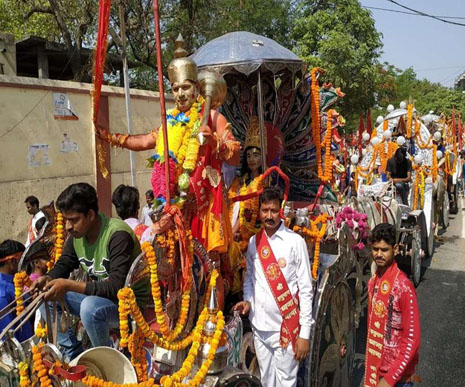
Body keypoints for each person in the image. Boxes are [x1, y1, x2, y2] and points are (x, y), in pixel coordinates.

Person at [32, 183, 149, 361]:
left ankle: (107, 361)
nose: (68, 227)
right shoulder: (76, 237)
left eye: (74, 220)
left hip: (128, 305)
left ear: (91, 215)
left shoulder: (117, 234)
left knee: (89, 308)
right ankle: (74, 354)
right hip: (100, 299)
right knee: (43, 295)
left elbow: (116, 286)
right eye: (66, 220)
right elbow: (65, 263)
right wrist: (49, 277)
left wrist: (69, 285)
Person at [233, 187, 314, 387]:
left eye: (274, 211)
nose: (269, 216)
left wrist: (304, 335)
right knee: (267, 381)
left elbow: (305, 289)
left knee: (286, 382)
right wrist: (248, 302)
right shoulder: (254, 242)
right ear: (259, 211)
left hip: (285, 328)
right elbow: (250, 277)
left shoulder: (295, 242)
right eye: (265, 210)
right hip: (260, 327)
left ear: (281, 211)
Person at [365, 223, 420, 387]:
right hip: (375, 372)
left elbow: (412, 340)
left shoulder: (404, 287)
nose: (379, 254)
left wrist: (389, 380)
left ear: (395, 249)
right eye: (375, 249)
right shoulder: (373, 282)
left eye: (384, 249)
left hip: (397, 380)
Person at [0, 240, 33, 342]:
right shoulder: (4, 292)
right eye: (22, 260)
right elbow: (8, 334)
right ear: (13, 261)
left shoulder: (12, 284)